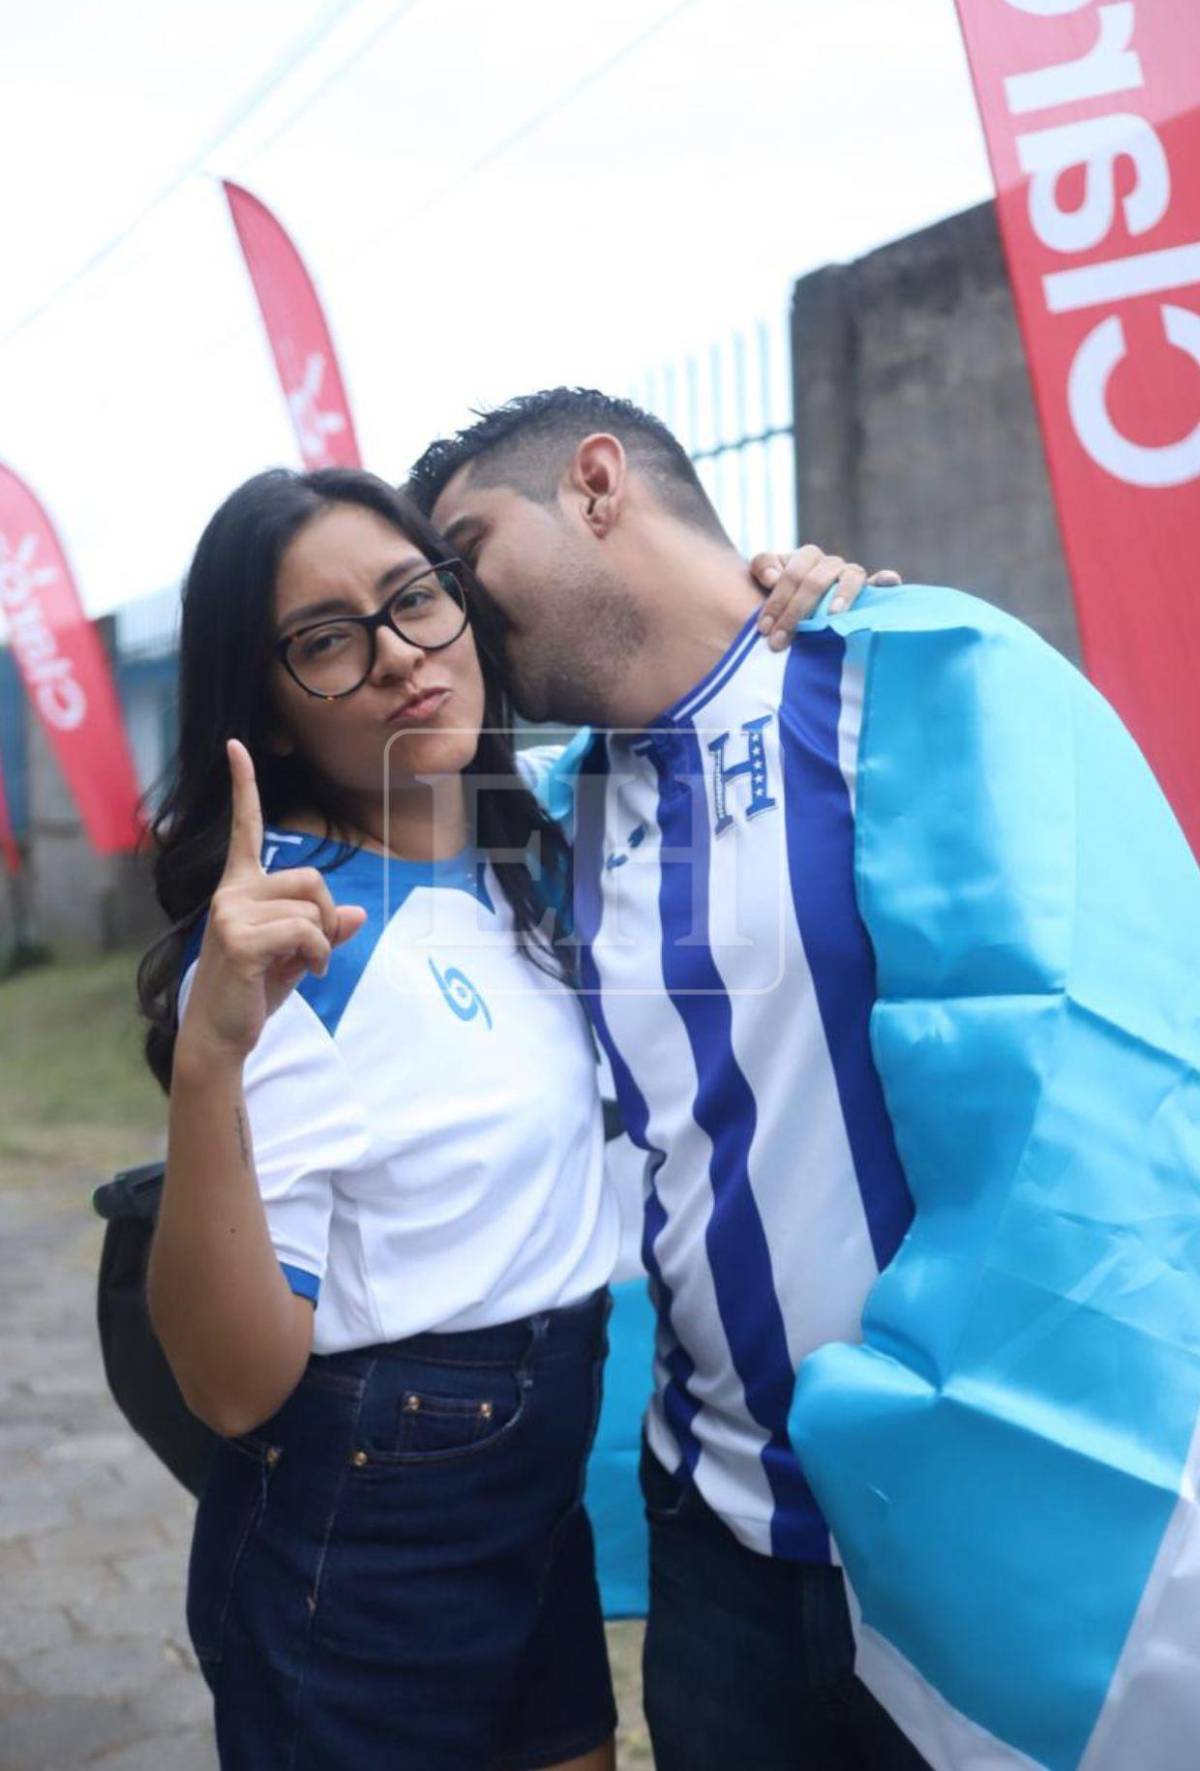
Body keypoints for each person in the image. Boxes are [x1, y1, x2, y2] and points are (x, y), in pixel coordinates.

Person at [136, 462, 866, 1770]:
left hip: (539, 1480)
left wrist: (791, 606)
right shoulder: (291, 936)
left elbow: (685, 713)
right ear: (273, 709)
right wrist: (210, 1060)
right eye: (322, 640)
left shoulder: (512, 837)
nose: (397, 655)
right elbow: (232, 1384)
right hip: (366, 1522)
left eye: (416, 597)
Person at [404, 387, 947, 1771]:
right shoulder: (554, 812)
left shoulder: (888, 678)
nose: (454, 613)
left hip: (960, 1524)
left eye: (465, 556)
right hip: (720, 1551)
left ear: (597, 484)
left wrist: (841, 596)